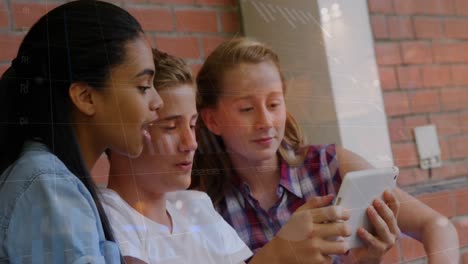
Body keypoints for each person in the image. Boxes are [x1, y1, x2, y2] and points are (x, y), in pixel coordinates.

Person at [191, 37, 459, 263]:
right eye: (246, 109)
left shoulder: (329, 165)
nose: (266, 122)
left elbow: (438, 225)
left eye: (274, 104)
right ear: (212, 120)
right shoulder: (201, 206)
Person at [0, 1, 163, 263]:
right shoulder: (49, 186)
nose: (158, 102)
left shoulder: (56, 181)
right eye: (143, 86)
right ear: (86, 97)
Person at [101, 50, 253, 264]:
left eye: (192, 125)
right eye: (170, 127)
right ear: (125, 131)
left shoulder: (197, 206)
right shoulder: (107, 215)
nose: (191, 143)